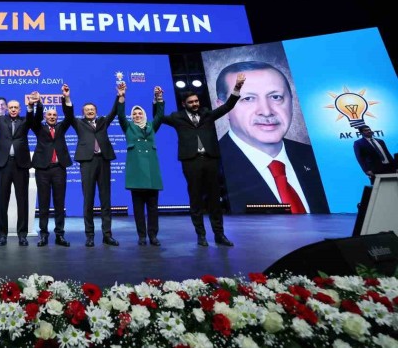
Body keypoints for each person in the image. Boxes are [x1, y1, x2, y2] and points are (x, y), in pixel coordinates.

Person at [215, 61, 329, 213]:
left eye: (276, 97)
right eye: (248, 99)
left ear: (291, 101)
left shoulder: (318, 157)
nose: (266, 111)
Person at [161, 74, 245, 247]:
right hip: (191, 162)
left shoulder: (207, 114)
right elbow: (159, 117)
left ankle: (219, 234)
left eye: (196, 101)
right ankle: (201, 235)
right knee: (196, 199)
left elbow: (227, 106)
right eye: (191, 102)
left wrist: (237, 88)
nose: (195, 104)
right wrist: (158, 100)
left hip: (210, 160)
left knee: (214, 199)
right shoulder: (177, 117)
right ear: (184, 104)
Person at [62, 84, 119, 247]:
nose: (90, 111)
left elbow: (114, 111)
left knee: (105, 199)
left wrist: (120, 96)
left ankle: (107, 235)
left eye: (92, 109)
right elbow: (68, 114)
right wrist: (67, 98)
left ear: (96, 111)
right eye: (87, 110)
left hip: (103, 161)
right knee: (88, 199)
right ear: (83, 112)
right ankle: (90, 235)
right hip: (87, 162)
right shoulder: (78, 123)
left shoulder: (103, 121)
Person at [117, 84, 165, 246]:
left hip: (151, 172)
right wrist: (121, 97)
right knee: (138, 209)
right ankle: (142, 236)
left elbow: (159, 115)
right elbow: (120, 115)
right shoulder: (128, 127)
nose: (137, 115)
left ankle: (153, 235)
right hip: (136, 173)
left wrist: (159, 98)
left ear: (144, 114)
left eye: (139, 113)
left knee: (153, 207)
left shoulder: (152, 126)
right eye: (134, 114)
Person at [29, 91, 72, 247]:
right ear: (45, 117)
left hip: (59, 168)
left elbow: (69, 116)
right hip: (43, 169)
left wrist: (66, 98)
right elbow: (34, 119)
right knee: (43, 203)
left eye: (54, 115)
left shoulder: (61, 127)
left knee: (59, 203)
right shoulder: (39, 128)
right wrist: (39, 104)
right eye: (49, 115)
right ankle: (44, 235)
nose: (52, 117)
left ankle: (59, 235)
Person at [0, 96, 34, 246]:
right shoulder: (1, 120)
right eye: (11, 107)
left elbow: (34, 118)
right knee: (2, 201)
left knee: (22, 200)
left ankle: (22, 235)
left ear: (20, 109)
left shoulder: (25, 121)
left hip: (20, 164)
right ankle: (2, 235)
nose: (14, 109)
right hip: (4, 164)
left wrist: (31, 107)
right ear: (7, 109)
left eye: (16, 107)